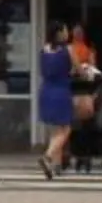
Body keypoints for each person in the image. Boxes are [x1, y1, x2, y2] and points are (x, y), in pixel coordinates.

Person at [34, 22, 79, 178]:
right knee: (66, 129)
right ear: (60, 33)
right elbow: (77, 69)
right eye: (66, 30)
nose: (68, 33)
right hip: (61, 91)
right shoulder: (68, 50)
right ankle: (47, 156)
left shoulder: (44, 50)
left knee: (55, 130)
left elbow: (43, 70)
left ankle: (56, 165)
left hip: (46, 91)